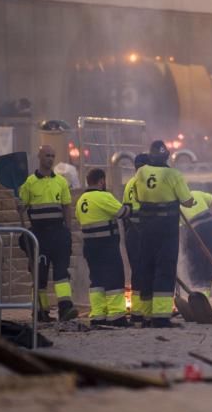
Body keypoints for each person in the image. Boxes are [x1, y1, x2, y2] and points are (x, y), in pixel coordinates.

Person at [134, 140, 195, 328]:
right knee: (164, 269)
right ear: (166, 156)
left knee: (147, 268)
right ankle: (160, 317)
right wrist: (187, 200)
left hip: (145, 227)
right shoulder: (173, 174)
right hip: (166, 228)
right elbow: (187, 201)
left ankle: (146, 316)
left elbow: (137, 197)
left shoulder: (141, 172)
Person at [18, 145, 78, 322]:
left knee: (61, 272)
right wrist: (20, 206)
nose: (50, 159)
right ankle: (40, 312)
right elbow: (23, 205)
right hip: (39, 235)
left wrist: (67, 231)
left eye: (52, 156)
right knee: (40, 275)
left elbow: (66, 207)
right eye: (47, 155)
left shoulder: (60, 182)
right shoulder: (29, 183)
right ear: (39, 156)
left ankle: (65, 309)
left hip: (58, 234)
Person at [76, 168, 130, 327]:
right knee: (114, 278)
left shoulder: (81, 200)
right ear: (101, 181)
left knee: (97, 281)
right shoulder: (103, 196)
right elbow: (122, 212)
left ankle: (98, 315)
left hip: (90, 247)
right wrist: (130, 208)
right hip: (106, 245)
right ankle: (116, 316)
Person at [180, 188, 212, 313]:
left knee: (195, 263)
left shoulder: (176, 204)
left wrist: (183, 250)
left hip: (195, 230)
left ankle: (198, 299)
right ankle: (204, 300)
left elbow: (181, 233)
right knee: (210, 261)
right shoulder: (197, 193)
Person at [122, 153, 150, 324]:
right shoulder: (147, 184)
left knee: (137, 272)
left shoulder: (129, 184)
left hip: (132, 234)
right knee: (147, 272)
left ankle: (137, 312)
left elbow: (126, 212)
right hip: (145, 233)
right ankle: (146, 311)